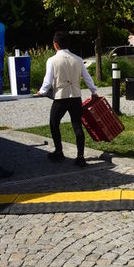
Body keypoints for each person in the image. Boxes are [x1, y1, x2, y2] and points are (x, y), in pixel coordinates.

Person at [38, 31, 98, 166]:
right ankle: (80, 156)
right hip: (75, 96)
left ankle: (59, 151)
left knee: (54, 123)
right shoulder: (78, 59)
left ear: (55, 45)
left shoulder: (52, 60)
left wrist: (42, 91)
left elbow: (47, 80)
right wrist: (94, 91)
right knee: (77, 124)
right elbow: (87, 77)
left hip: (61, 97)